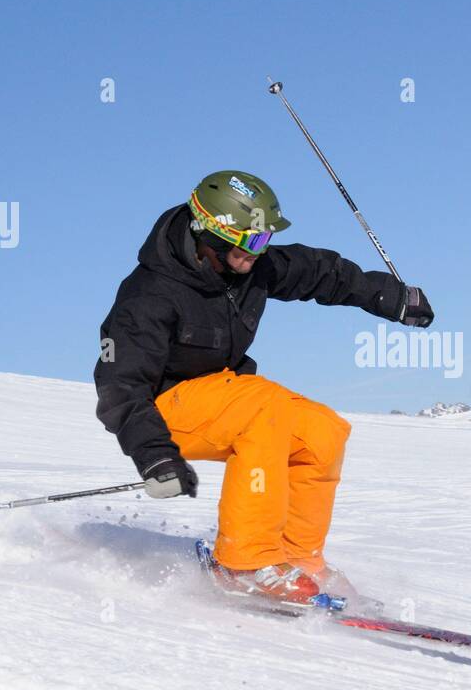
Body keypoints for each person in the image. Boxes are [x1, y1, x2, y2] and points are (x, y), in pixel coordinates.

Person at [94, 170, 433, 602]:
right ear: (209, 235)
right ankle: (243, 562)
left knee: (321, 432)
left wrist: (387, 295)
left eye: (264, 240)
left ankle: (298, 558)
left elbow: (319, 272)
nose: (258, 253)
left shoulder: (247, 268)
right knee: (263, 406)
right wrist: (154, 454)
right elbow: (118, 386)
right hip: (162, 410)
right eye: (249, 243)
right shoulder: (149, 295)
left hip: (223, 395)